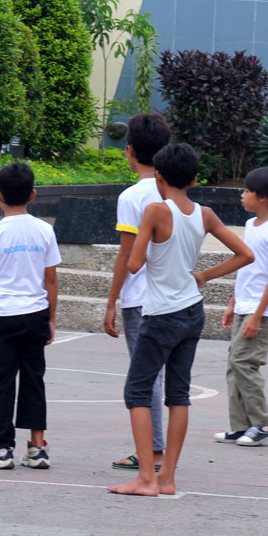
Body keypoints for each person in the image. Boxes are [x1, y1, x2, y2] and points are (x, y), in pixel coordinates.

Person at [108, 143, 253, 496]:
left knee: (138, 391)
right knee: (178, 395)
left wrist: (144, 235)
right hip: (192, 309)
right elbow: (245, 254)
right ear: (192, 178)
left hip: (160, 313)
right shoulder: (203, 214)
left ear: (158, 175)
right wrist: (203, 276)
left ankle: (145, 478)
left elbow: (134, 264)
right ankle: (167, 478)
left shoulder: (156, 210)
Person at [0, 162, 59, 470]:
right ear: (33, 195)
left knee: (1, 381)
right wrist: (50, 318)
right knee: (35, 379)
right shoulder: (45, 230)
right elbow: (51, 279)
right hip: (36, 313)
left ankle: (0, 449)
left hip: (2, 315)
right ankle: (37, 448)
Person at [103, 114, 171, 472]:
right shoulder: (173, 191)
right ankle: (161, 451)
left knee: (145, 377)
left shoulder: (132, 196)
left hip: (140, 298)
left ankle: (153, 452)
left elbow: (127, 254)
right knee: (165, 376)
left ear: (129, 151)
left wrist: (112, 301)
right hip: (174, 296)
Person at [215, 167, 268, 447]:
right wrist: (233, 303)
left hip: (262, 310)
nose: (242, 195)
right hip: (245, 304)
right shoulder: (250, 226)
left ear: (263, 197)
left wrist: (257, 316)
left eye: (247, 190)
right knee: (234, 365)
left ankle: (263, 423)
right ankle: (240, 426)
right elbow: (246, 267)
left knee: (244, 363)